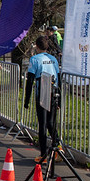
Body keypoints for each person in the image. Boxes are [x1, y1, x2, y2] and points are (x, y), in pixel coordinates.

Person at [24, 35, 61, 163]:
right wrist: (60, 99)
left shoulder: (34, 59)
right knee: (51, 122)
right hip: (54, 90)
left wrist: (26, 100)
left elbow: (30, 81)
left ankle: (44, 155)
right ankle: (58, 147)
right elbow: (59, 77)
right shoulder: (53, 59)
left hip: (42, 92)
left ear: (37, 46)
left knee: (43, 124)